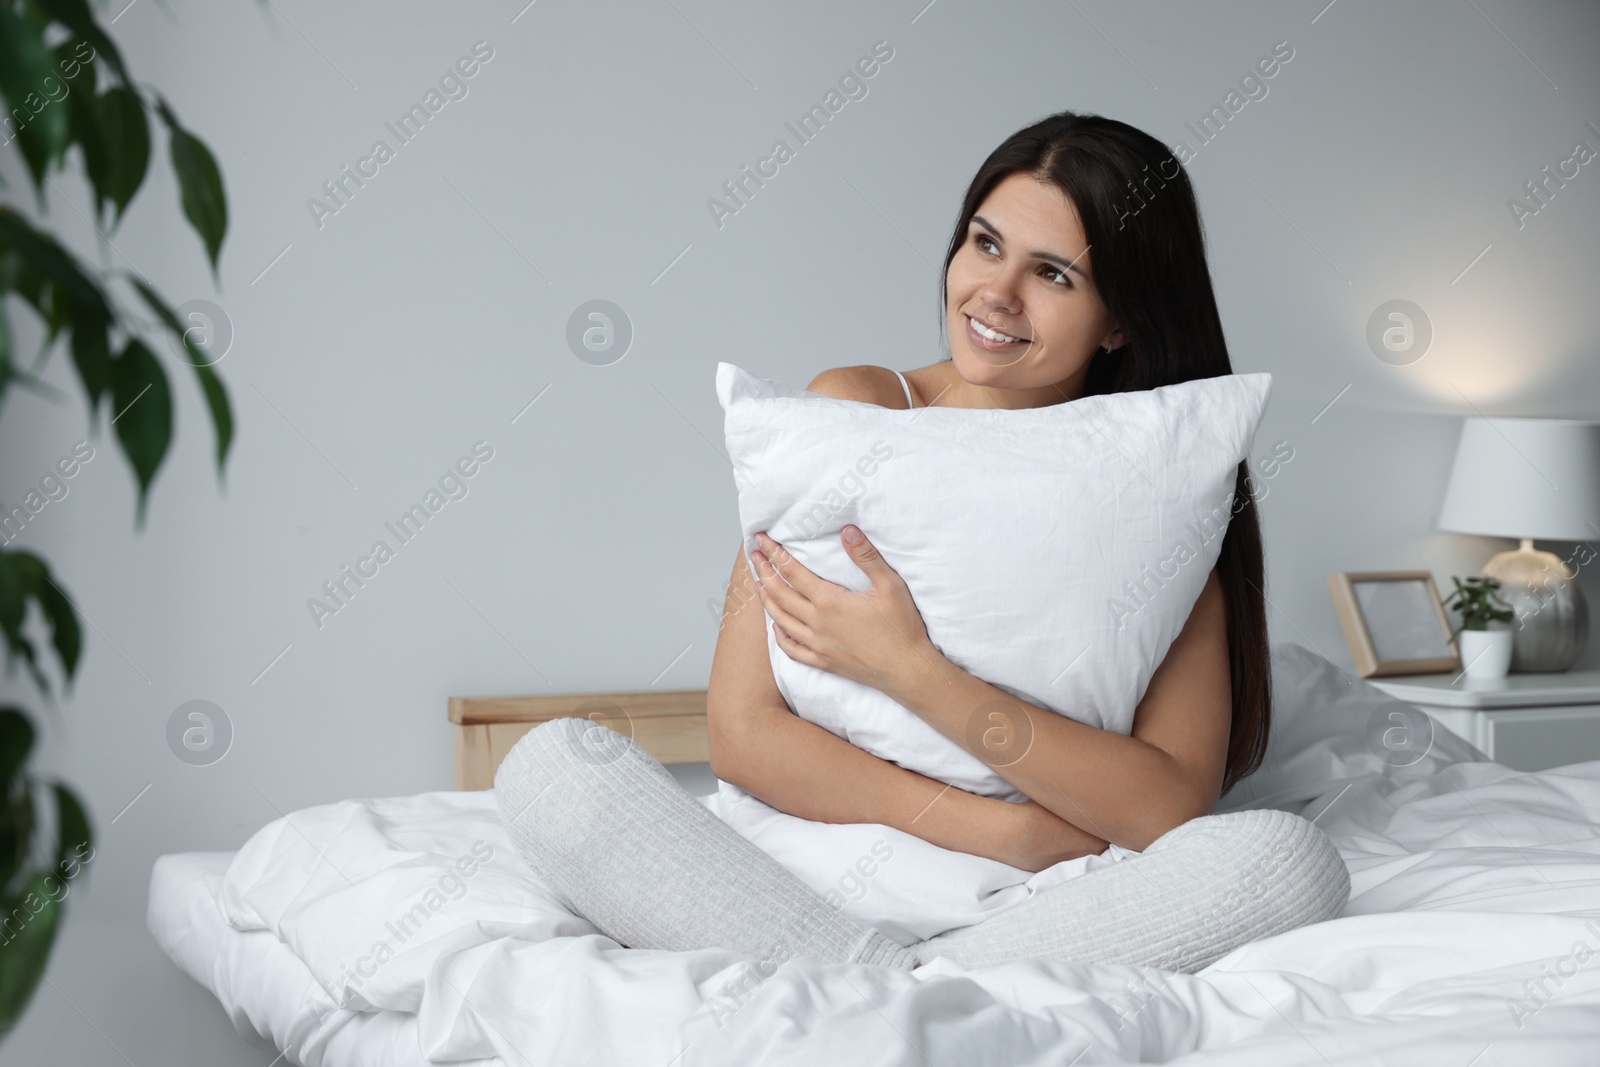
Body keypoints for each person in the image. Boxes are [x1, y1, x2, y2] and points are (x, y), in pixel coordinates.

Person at [496, 110, 1349, 975]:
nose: (996, 292)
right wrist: (1003, 828)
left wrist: (914, 672)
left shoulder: (1163, 484)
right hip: (810, 881)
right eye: (985, 244)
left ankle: (866, 1001)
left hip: (1044, 903)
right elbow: (744, 731)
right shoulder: (853, 410)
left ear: (1120, 320)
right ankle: (907, 995)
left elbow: (1168, 801)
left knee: (1287, 862)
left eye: (1052, 272)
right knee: (556, 767)